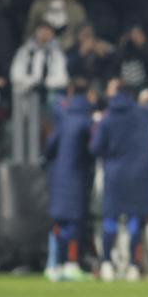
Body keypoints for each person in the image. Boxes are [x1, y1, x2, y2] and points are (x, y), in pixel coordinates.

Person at [90, 78, 148, 281]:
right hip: (139, 174)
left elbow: (95, 148)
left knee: (110, 219)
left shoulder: (107, 118)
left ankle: (108, 264)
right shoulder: (141, 113)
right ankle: (133, 267)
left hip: (114, 173)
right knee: (134, 220)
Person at [44, 79, 94, 281]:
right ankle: (71, 265)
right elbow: (95, 148)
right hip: (76, 177)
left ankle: (53, 264)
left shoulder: (63, 120)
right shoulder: (86, 121)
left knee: (59, 222)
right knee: (74, 223)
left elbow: (49, 147)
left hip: (58, 176)